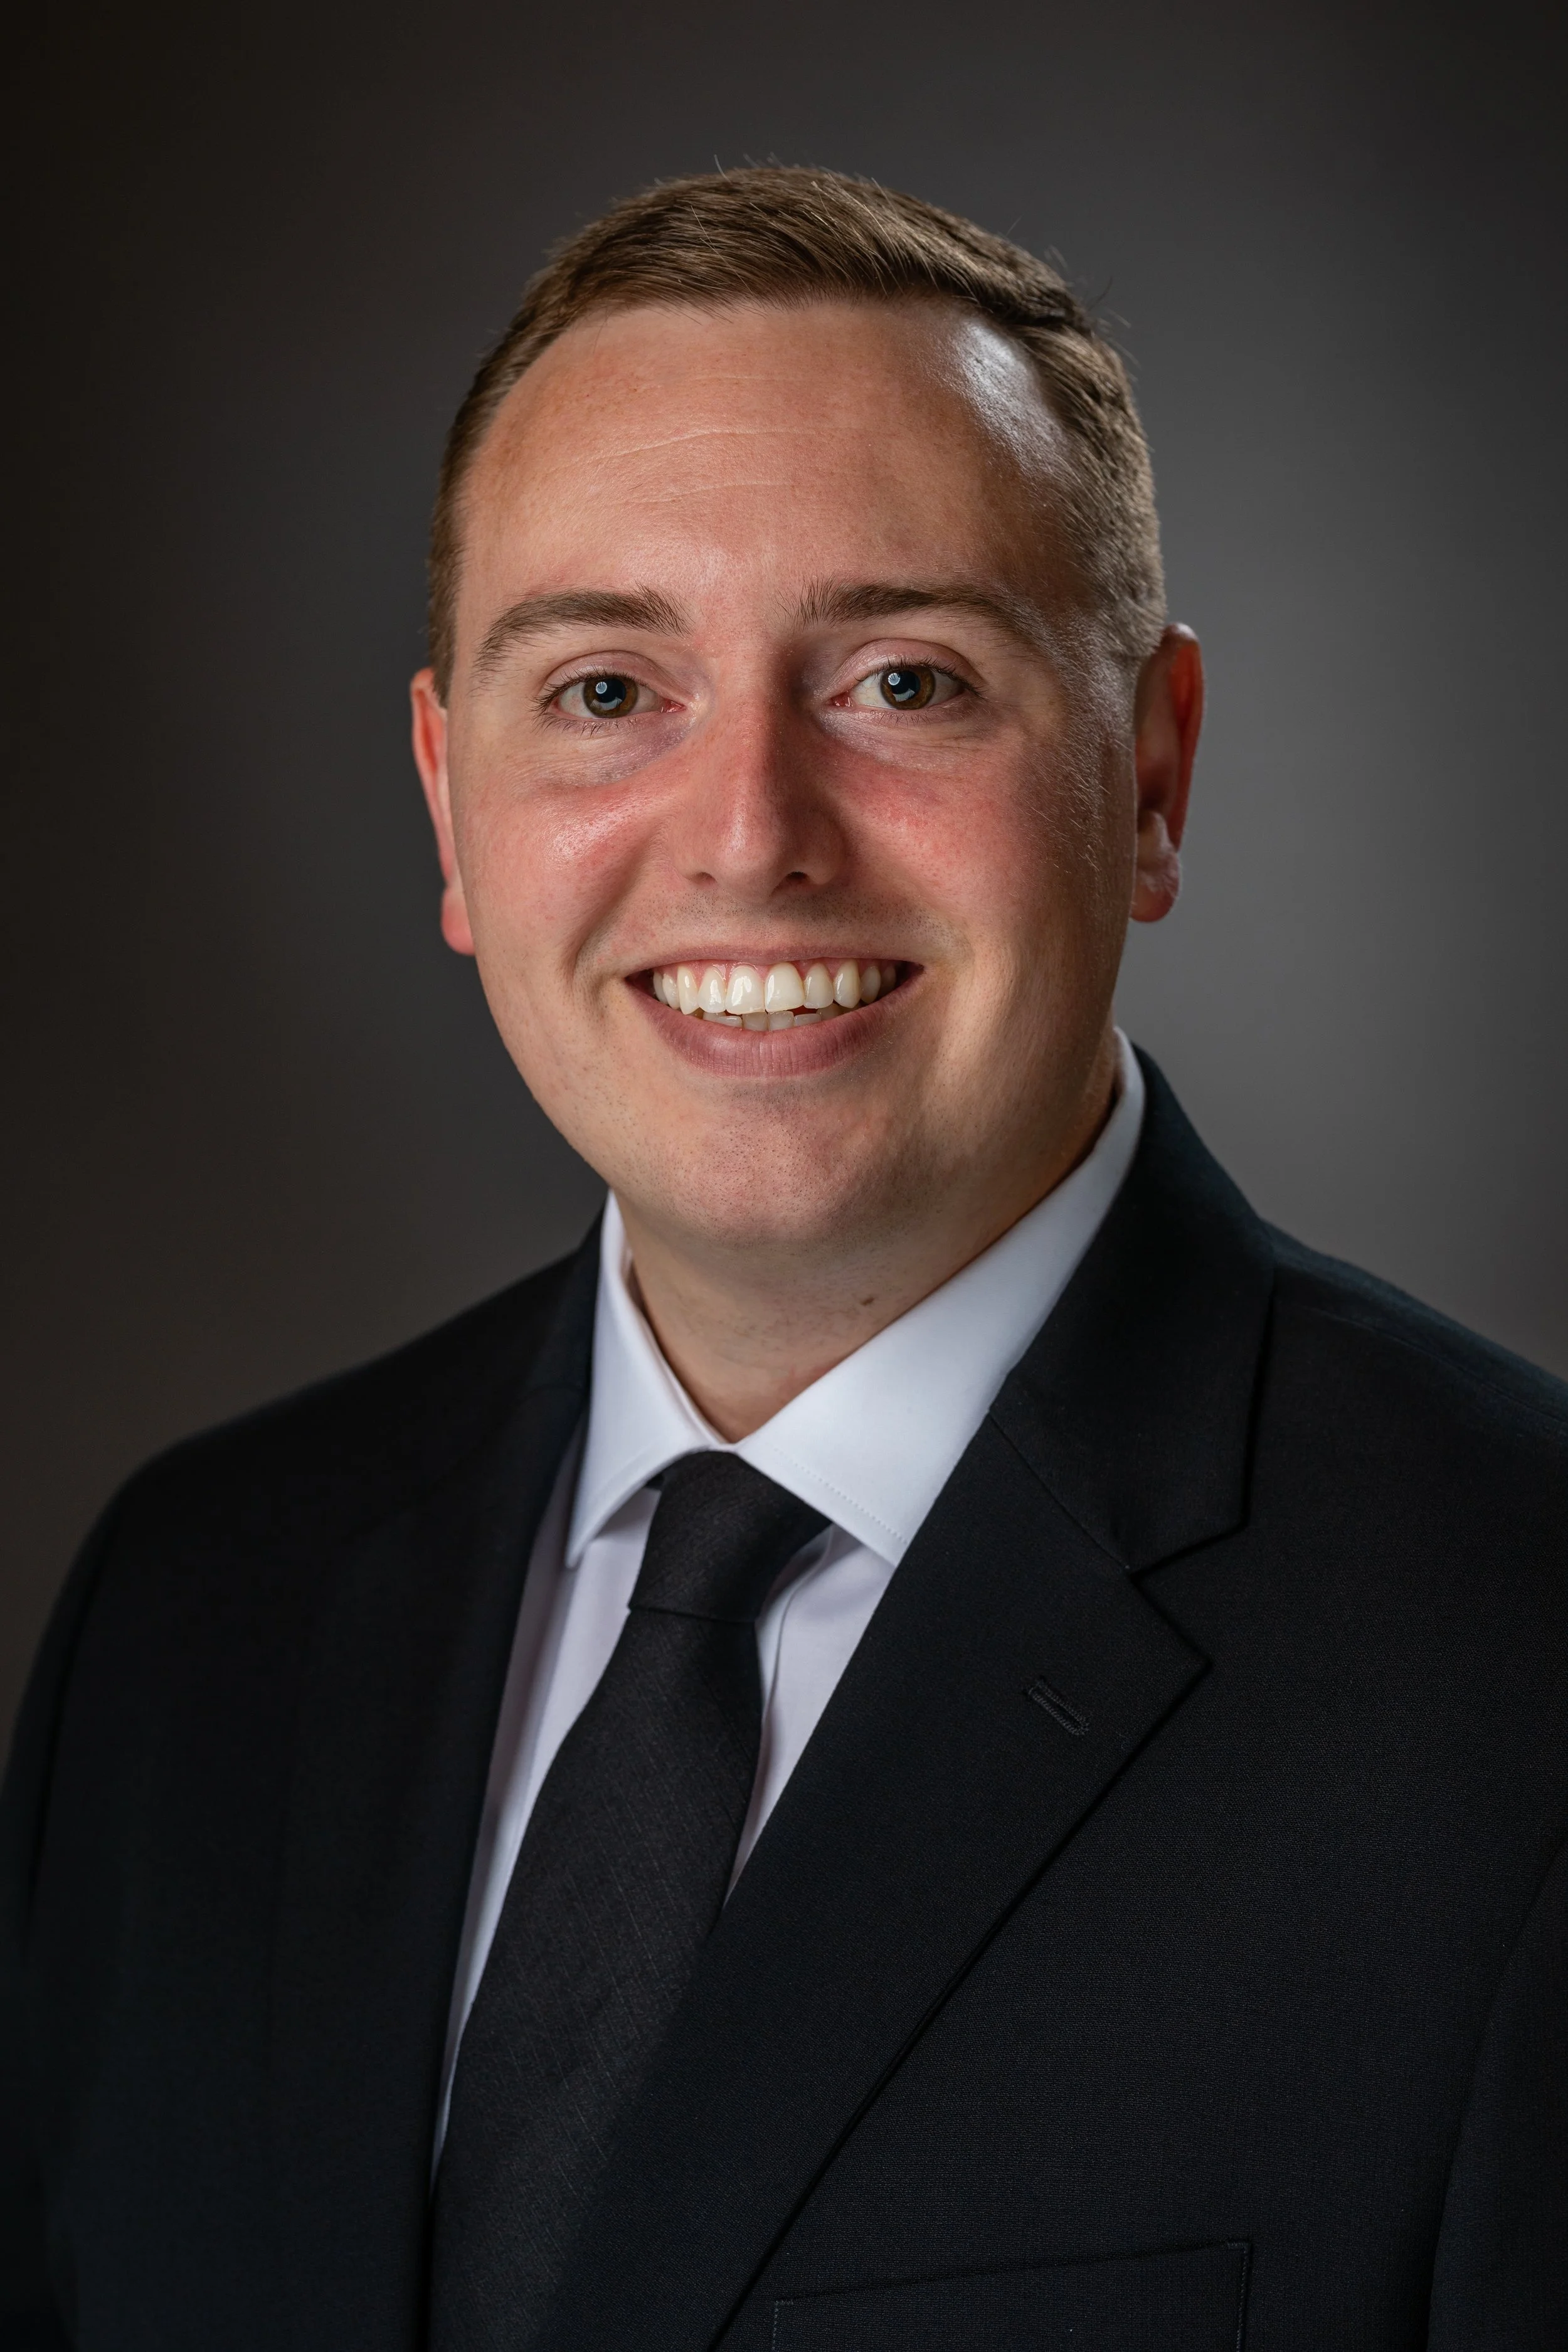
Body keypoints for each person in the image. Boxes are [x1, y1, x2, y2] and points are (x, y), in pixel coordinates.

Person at [2, 166, 1563, 2352]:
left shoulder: (1519, 1653)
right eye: (607, 686)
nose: (749, 828)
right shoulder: (187, 1614)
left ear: (1148, 771)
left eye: (906, 677)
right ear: (452, 805)